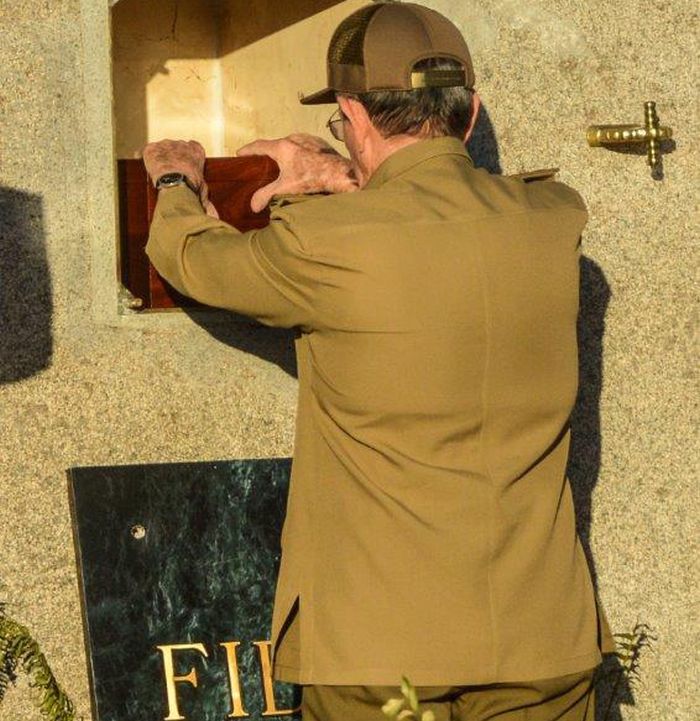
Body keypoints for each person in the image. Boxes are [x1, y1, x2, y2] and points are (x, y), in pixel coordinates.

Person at [143, 3, 612, 719]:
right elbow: (444, 223)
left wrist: (176, 181)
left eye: (340, 122)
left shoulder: (328, 242)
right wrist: (356, 178)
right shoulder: (552, 222)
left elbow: (191, 259)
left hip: (383, 653)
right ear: (472, 110)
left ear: (354, 114)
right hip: (542, 639)